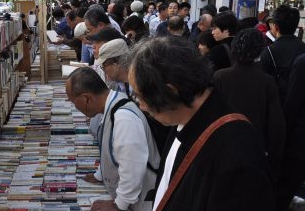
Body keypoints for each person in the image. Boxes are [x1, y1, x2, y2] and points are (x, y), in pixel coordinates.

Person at [127, 37, 274, 211]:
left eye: (140, 97)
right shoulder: (182, 118)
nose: (141, 106)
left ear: (170, 91)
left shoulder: (236, 155)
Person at [67, 67, 160, 211]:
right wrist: (100, 174)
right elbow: (110, 148)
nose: (74, 106)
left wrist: (119, 205)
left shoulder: (124, 118)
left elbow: (133, 169)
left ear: (87, 98)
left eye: (73, 102)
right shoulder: (111, 105)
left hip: (141, 204)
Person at [214, 28, 285, 183]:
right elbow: (276, 123)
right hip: (255, 146)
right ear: (260, 51)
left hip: (222, 144)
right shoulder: (267, 81)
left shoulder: (220, 77)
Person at [259, 5, 305, 104]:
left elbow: (261, 84)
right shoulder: (302, 48)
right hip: (299, 106)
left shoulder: (268, 51)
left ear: (275, 26)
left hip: (275, 104)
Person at [279, 53, 305, 211]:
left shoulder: (302, 62)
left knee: (284, 189)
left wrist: (284, 135)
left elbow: (293, 103)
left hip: (300, 139)